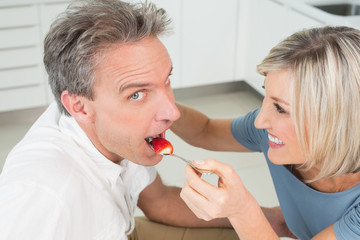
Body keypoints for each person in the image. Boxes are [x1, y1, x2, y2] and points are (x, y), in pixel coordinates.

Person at [0, 0, 290, 239]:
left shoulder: (117, 133)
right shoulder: (42, 196)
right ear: (79, 107)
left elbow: (159, 200)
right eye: (137, 95)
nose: (173, 113)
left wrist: (265, 218)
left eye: (166, 81)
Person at [172, 26, 360, 240]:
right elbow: (204, 131)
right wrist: (160, 104)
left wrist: (242, 210)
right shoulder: (272, 134)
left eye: (281, 109)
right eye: (267, 97)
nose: (260, 121)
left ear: (338, 122)